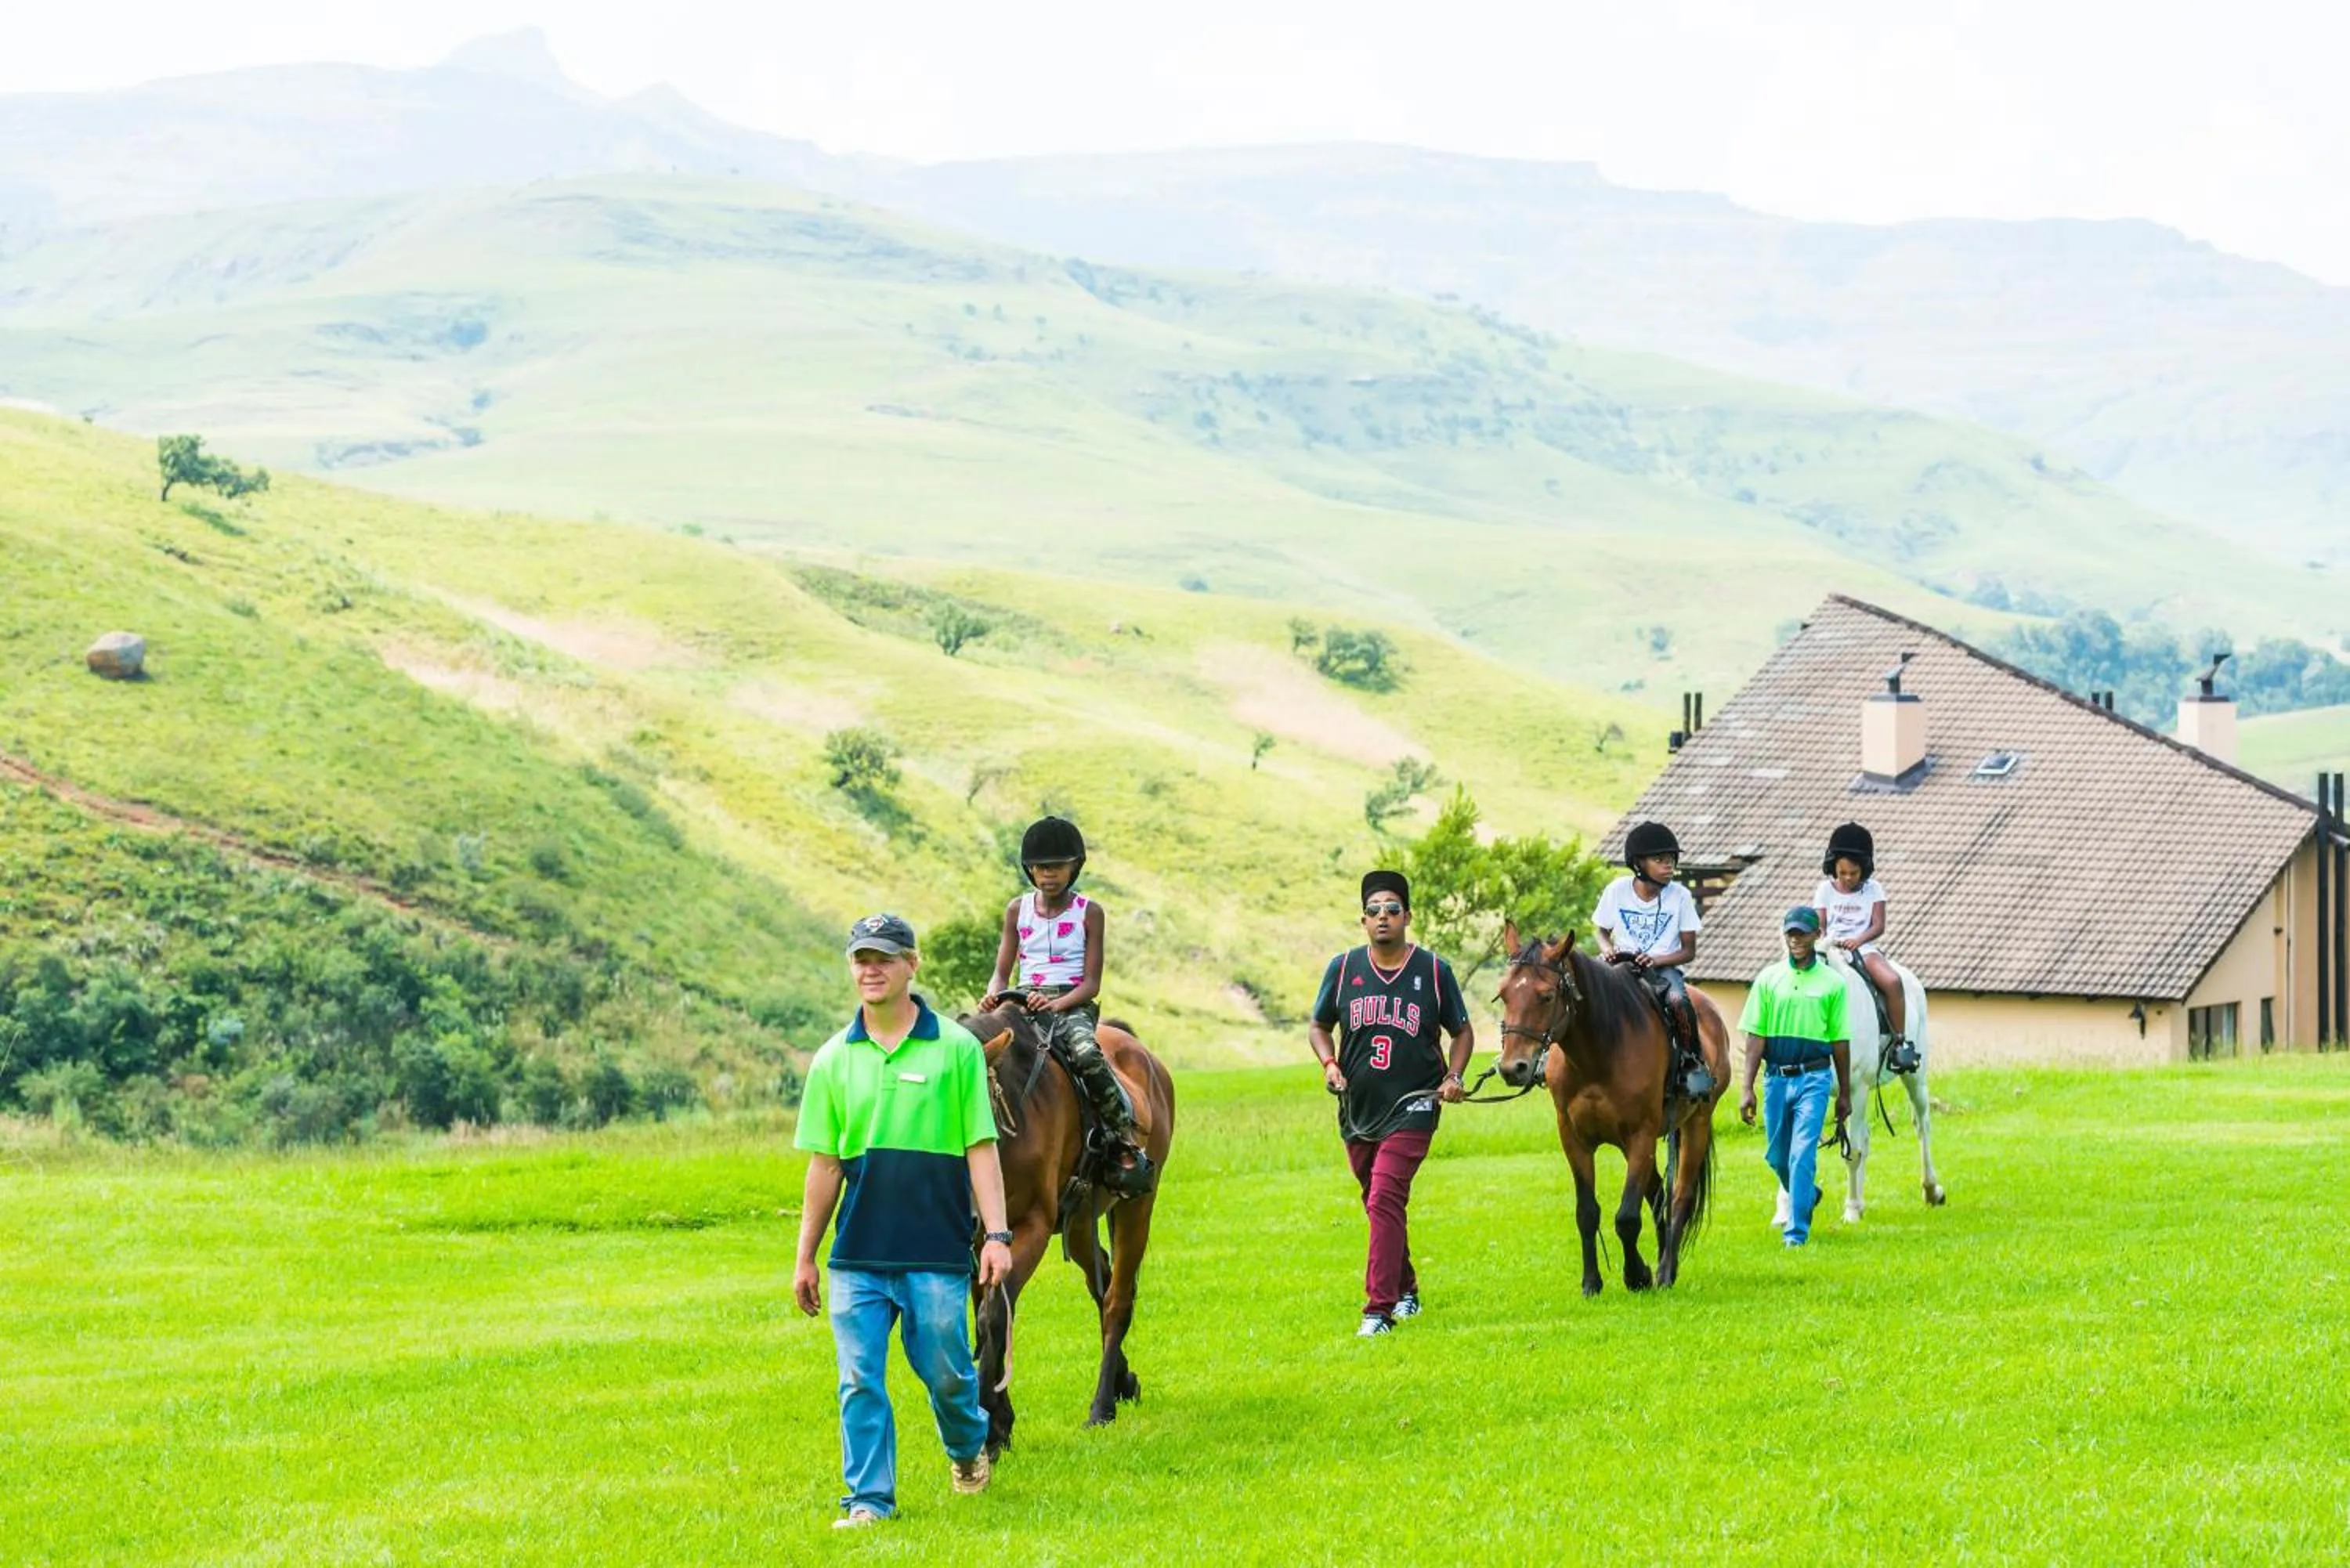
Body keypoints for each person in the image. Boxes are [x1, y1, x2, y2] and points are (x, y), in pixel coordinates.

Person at [794, 913, 1016, 1530]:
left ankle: (966, 1445)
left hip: (936, 1250)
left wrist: (997, 1236)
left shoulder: (957, 1049)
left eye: (884, 958)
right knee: (859, 1380)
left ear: (911, 965)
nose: (871, 970)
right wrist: (805, 1256)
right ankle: (869, 1500)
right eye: (861, 959)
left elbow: (980, 1148)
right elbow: (825, 1166)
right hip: (857, 1254)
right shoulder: (832, 1059)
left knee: (948, 1374)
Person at [1307, 869, 1475, 1338]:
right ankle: (1407, 1289)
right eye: (1374, 910)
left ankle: (1378, 1311)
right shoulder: (1343, 969)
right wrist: (1329, 1064)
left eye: (1393, 909)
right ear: (1363, 920)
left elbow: (1462, 1031)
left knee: (1384, 1196)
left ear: (1408, 917)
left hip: (1415, 1105)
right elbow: (1319, 1026)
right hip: (1358, 1107)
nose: (1383, 917)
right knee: (1378, 1203)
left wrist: (1454, 1075)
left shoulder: (1434, 971)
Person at [986, 815, 1151, 1192]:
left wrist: (1056, 1005)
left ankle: (1120, 1134)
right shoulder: (1016, 910)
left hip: (1071, 1003)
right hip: (1022, 1000)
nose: (1049, 874)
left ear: (1074, 867)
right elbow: (1001, 971)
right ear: (1030, 869)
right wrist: (993, 993)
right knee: (980, 1053)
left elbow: (1091, 984)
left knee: (1086, 1054)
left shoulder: (1089, 913)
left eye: (1058, 866)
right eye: (1042, 867)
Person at [1736, 907, 1853, 1248]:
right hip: (1775, 1079)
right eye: (1791, 933)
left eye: (1802, 933)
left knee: (1802, 1154)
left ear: (1817, 936)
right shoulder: (1768, 979)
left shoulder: (1833, 983)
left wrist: (1845, 1093)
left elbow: (1840, 1041)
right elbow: (1755, 1036)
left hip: (1814, 1079)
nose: (1795, 939)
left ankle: (1796, 1234)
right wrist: (1746, 1087)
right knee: (1776, 1156)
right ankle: (1807, 1194)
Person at [1593, 821, 1712, 1101]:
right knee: (1582, 990)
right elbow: (1600, 930)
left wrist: (1657, 960)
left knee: (1678, 1001)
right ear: (1638, 864)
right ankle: (1552, 1057)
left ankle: (1691, 1063)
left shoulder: (1681, 896)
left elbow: (1688, 951)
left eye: (1671, 860)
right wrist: (1607, 948)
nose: (1669, 866)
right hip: (1620, 965)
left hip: (1664, 968)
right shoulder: (1617, 890)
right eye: (1660, 860)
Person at [1813, 822, 1918, 1074]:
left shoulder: (1874, 889)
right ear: (1833, 867)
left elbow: (1879, 925)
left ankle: (1899, 1042)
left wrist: (1858, 941)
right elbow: (1820, 925)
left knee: (1892, 981)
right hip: (1831, 949)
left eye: (1854, 873)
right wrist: (1825, 942)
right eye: (1843, 873)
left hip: (1864, 949)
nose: (1848, 878)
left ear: (1865, 869)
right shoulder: (1825, 890)